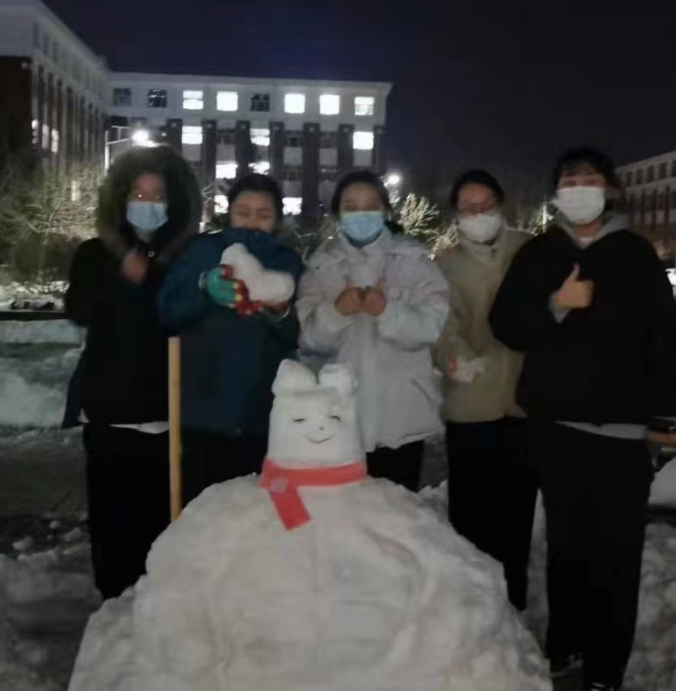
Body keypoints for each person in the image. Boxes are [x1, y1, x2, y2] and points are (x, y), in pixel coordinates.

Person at [489, 147, 676, 691]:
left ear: (611, 189)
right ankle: (567, 642)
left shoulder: (634, 255)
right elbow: (508, 326)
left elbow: (665, 338)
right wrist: (556, 304)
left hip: (624, 433)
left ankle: (604, 673)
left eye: (590, 179)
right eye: (569, 180)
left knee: (616, 554)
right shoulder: (540, 252)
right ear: (556, 192)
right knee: (567, 547)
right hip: (558, 428)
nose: (579, 188)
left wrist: (666, 416)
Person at [63, 146, 202, 600]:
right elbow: (78, 309)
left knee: (159, 523)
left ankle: (155, 607)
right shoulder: (95, 255)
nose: (147, 203)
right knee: (111, 525)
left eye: (157, 195)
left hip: (168, 413)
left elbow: (189, 319)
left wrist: (156, 277)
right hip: (109, 412)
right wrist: (122, 273)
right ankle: (112, 606)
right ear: (120, 199)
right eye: (138, 194)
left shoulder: (186, 261)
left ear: (174, 202)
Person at [297, 170, 450, 490]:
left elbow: (429, 327)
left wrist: (386, 311)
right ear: (338, 214)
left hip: (401, 417)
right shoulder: (321, 267)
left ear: (386, 210)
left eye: (370, 205)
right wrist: (336, 311)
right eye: (351, 206)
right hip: (337, 417)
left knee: (397, 509)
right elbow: (309, 340)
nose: (361, 214)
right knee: (344, 509)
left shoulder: (414, 261)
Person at [159, 174, 305, 504]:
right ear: (230, 213)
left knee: (255, 513)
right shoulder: (203, 251)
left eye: (263, 214)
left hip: (263, 412)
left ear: (277, 219)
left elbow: (300, 333)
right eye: (243, 212)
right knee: (202, 508)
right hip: (203, 408)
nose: (252, 222)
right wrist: (203, 287)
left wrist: (279, 312)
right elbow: (168, 310)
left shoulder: (287, 262)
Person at [432, 169, 536, 611]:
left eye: (485, 205)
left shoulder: (530, 249)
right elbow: (443, 325)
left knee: (517, 514)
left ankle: (513, 604)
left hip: (523, 401)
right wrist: (455, 358)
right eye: (467, 208)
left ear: (500, 205)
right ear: (457, 214)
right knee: (472, 514)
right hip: (471, 403)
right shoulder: (446, 264)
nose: (477, 214)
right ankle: (473, 609)